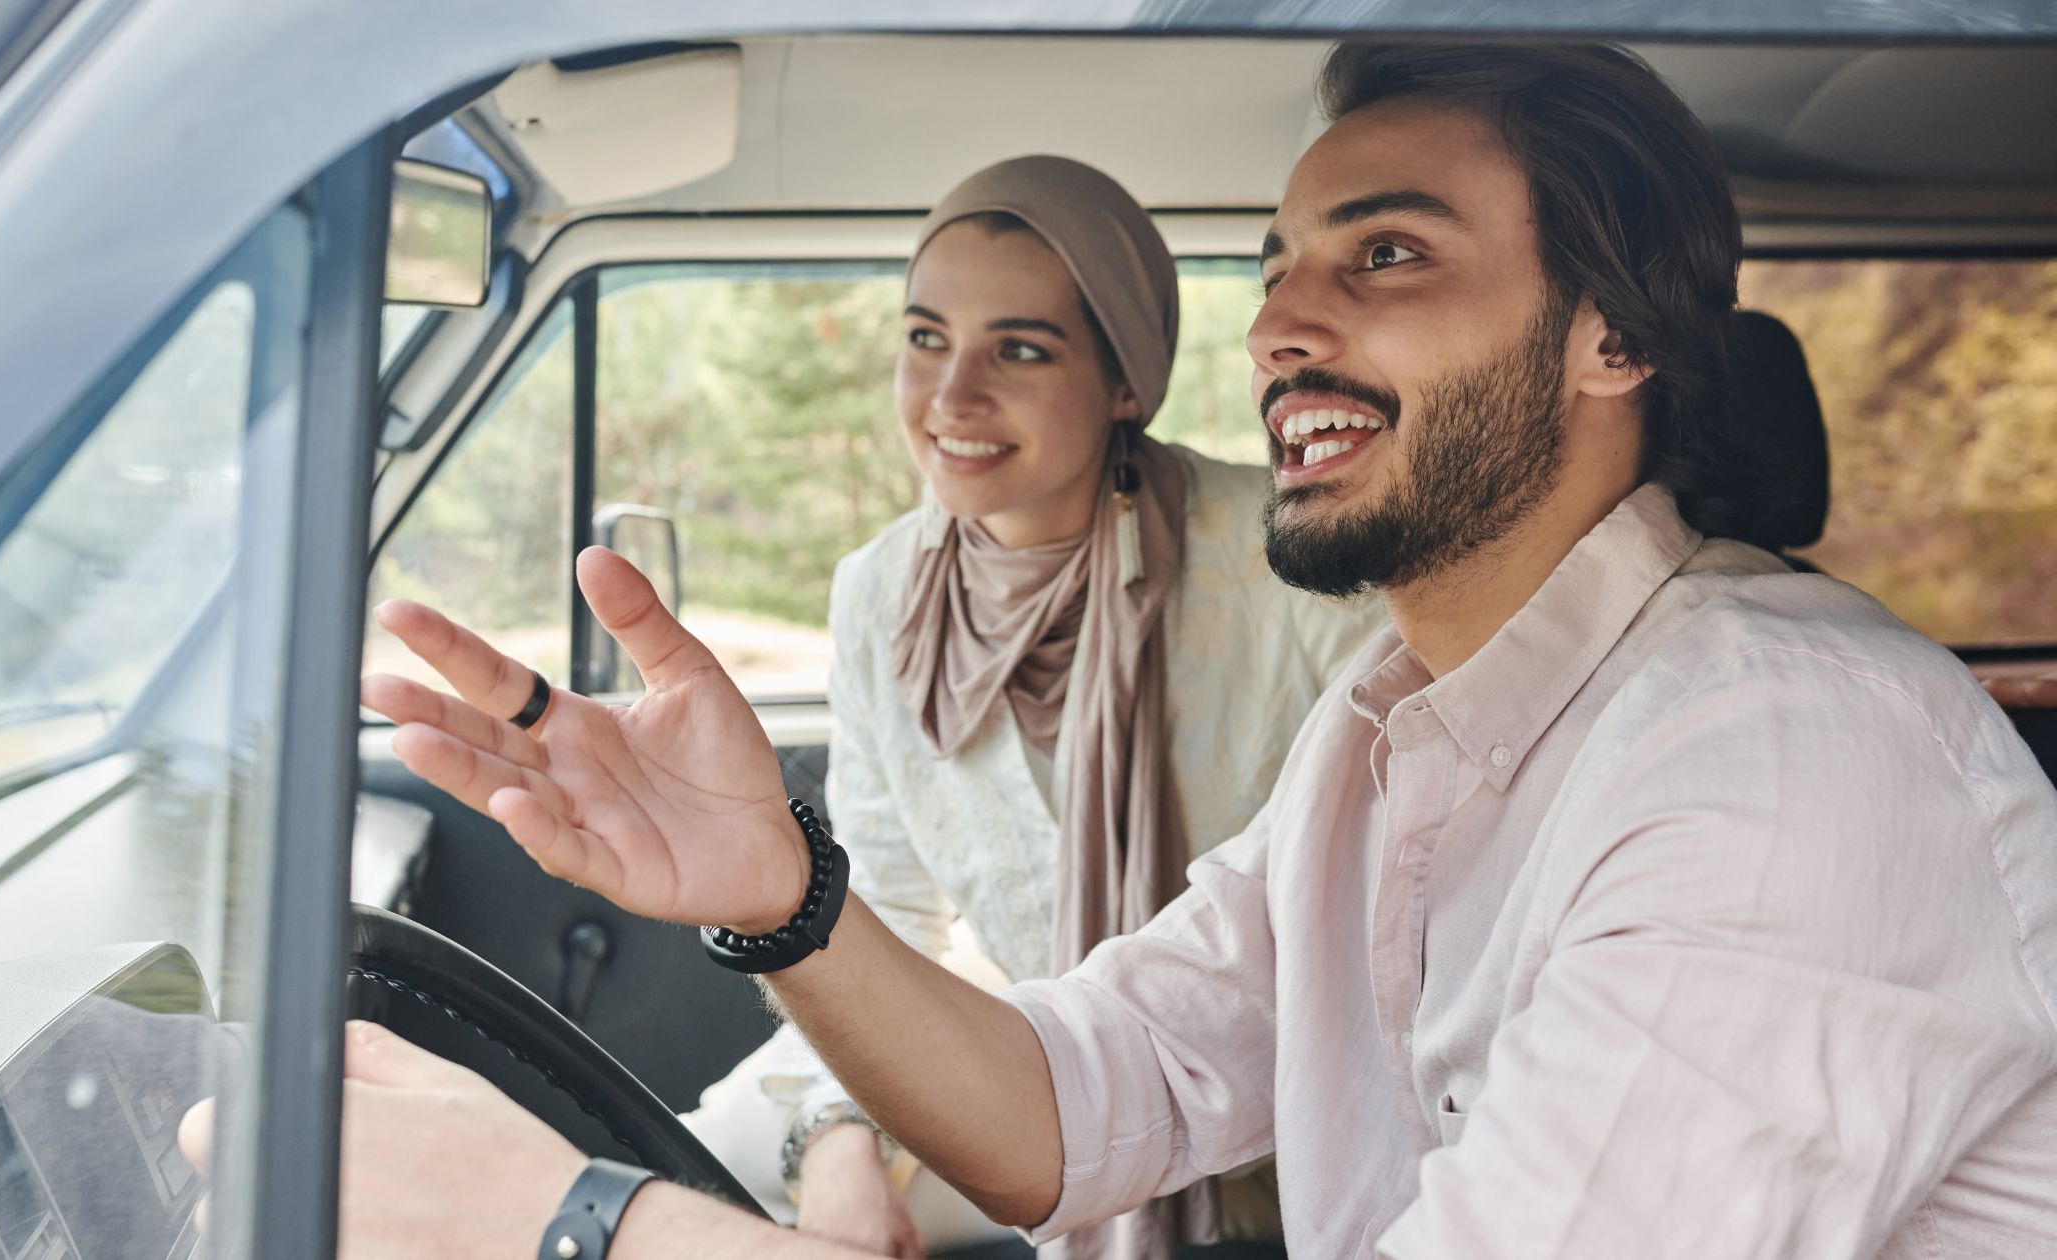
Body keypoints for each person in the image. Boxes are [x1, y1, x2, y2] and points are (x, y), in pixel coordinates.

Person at [225, 41, 2057, 1259]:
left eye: (1389, 256)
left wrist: (580, 1225)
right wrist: (779, 895)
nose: (1285, 322)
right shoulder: (1393, 723)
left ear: (1612, 344)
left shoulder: (1791, 760)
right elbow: (1084, 1097)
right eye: (1278, 266)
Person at [651, 154, 1374, 1260]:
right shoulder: (879, 593)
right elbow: (886, 907)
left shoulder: (1289, 563)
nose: (951, 398)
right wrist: (840, 1138)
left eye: (1020, 350)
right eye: (924, 338)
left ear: (1126, 380)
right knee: (674, 1185)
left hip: (1282, 1113)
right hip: (1018, 1067)